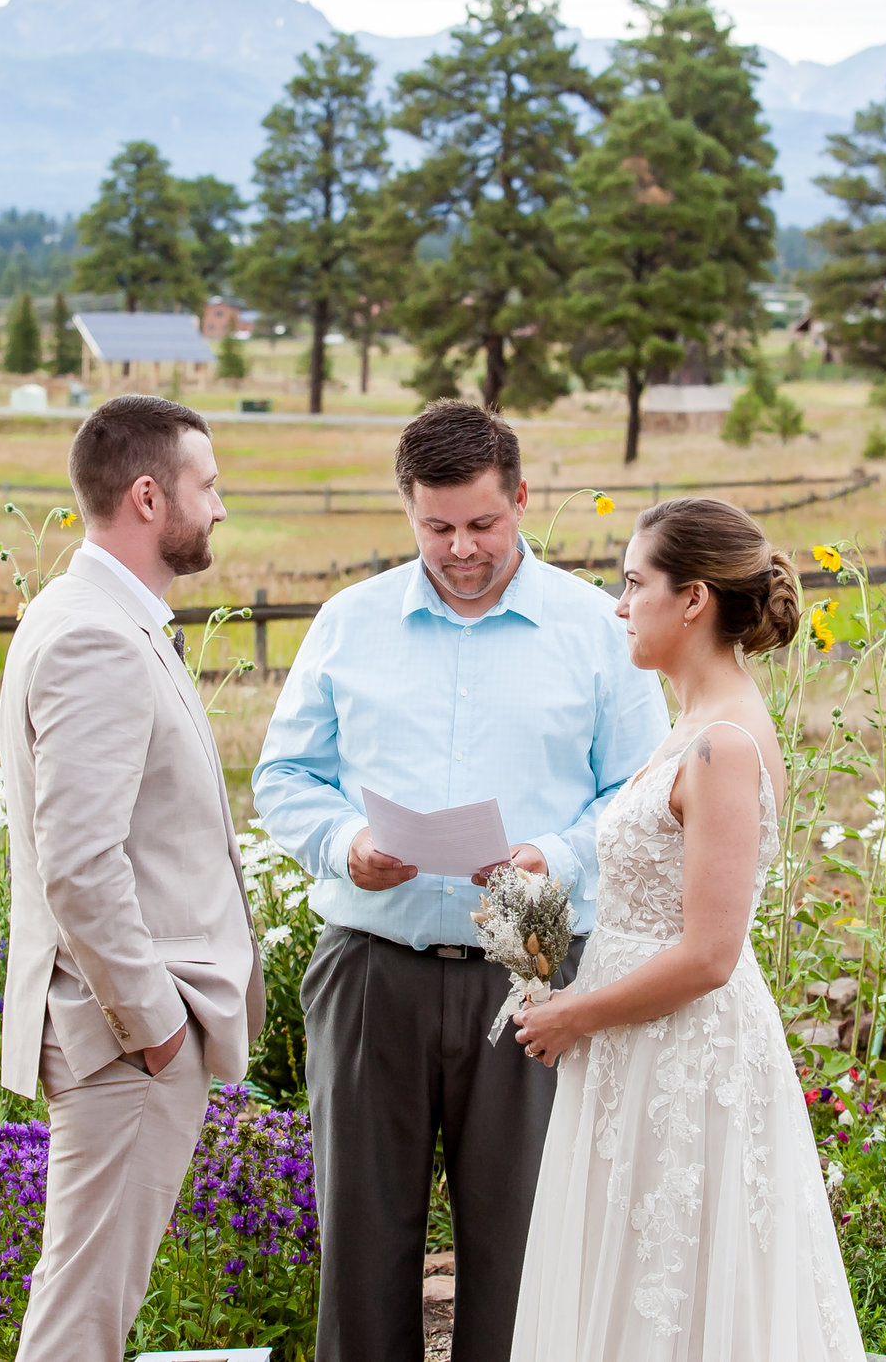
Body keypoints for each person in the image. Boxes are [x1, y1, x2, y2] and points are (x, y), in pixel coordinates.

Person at [254, 400, 670, 1362]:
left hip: (535, 966)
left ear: (521, 498)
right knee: (361, 1248)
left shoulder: (593, 629)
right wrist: (345, 840)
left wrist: (554, 858)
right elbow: (284, 775)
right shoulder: (349, 622)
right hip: (369, 965)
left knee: (525, 1246)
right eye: (436, 526)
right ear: (407, 509)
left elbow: (642, 796)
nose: (461, 547)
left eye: (482, 523)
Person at [509, 497, 866, 1361]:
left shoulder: (725, 746)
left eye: (635, 583)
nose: (619, 604)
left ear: (694, 597)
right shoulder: (691, 726)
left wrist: (574, 1014)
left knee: (677, 1289)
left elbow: (710, 952)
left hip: (682, 1050)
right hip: (637, 1049)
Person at [0, 394, 265, 1362]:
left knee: (87, 1301)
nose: (220, 507)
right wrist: (155, 1026)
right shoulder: (93, 637)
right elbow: (79, 862)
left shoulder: (101, 615)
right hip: (125, 1039)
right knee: (81, 1319)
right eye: (208, 485)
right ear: (148, 496)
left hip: (133, 1035)